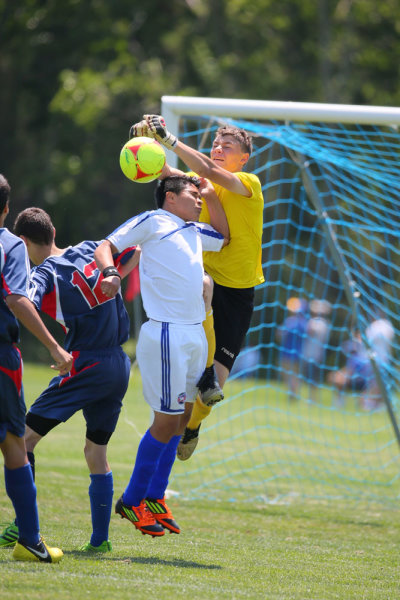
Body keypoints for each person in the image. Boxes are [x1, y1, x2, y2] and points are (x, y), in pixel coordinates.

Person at [94, 175, 228, 536]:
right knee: (166, 422)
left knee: (183, 420)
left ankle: (154, 496)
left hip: (194, 333)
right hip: (166, 331)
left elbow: (224, 236)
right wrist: (111, 274)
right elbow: (105, 245)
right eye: (193, 194)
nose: (198, 200)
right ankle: (132, 500)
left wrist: (212, 194)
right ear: (169, 198)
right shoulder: (154, 220)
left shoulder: (195, 231)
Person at [1, 206, 138, 554]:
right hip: (119, 364)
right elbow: (135, 251)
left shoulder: (43, 273)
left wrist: (54, 348)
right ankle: (99, 541)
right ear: (54, 231)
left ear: (22, 241)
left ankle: (22, 526)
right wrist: (114, 276)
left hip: (86, 362)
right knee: (96, 451)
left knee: (24, 441)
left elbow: (22, 303)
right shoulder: (91, 247)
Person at [132, 114, 264, 460]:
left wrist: (169, 138)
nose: (219, 149)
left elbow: (204, 169)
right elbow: (166, 174)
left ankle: (194, 427)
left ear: (243, 158)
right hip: (206, 282)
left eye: (228, 147)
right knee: (203, 284)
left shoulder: (247, 182)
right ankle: (189, 400)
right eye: (216, 144)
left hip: (237, 292)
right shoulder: (199, 182)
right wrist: (144, 145)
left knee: (211, 391)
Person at [0, 176, 72, 562]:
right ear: (6, 210)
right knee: (13, 443)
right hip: (1, 360)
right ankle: (29, 539)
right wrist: (56, 346)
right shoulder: (9, 244)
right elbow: (16, 299)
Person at [276, 298, 308, 401]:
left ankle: (292, 395)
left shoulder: (290, 322)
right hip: (299, 353)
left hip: (287, 353)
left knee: (288, 375)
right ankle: (294, 394)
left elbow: (279, 334)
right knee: (295, 375)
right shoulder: (305, 324)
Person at [300, 299, 331, 402]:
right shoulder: (321, 322)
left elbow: (310, 332)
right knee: (309, 377)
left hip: (313, 354)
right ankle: (310, 398)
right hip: (311, 353)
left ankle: (312, 398)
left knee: (312, 378)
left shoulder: (318, 323)